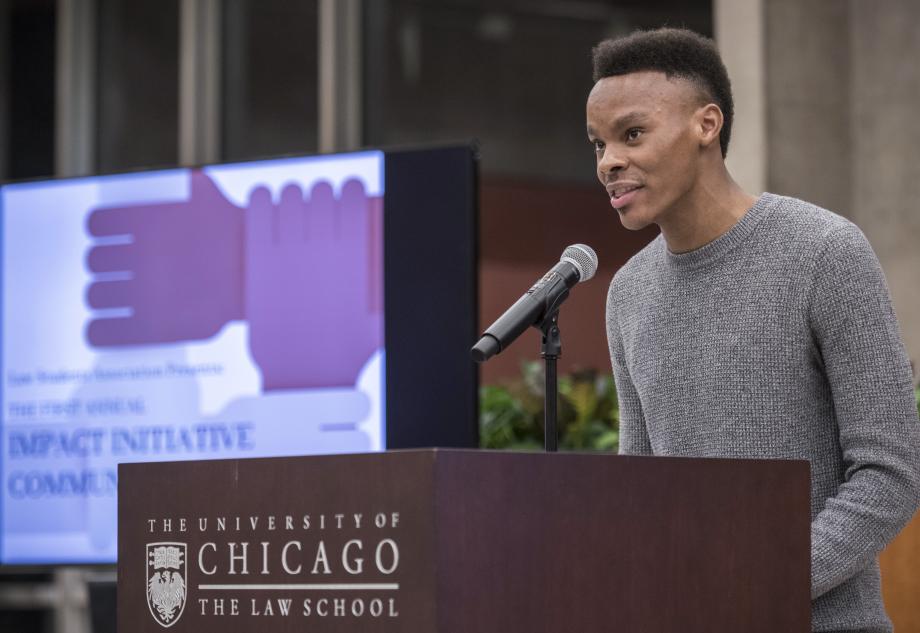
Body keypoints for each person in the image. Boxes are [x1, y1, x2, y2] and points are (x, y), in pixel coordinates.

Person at [589, 27, 920, 632]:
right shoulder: (628, 292)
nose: (610, 161)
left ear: (706, 125)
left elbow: (893, 471)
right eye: (598, 143)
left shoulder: (824, 251)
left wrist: (758, 580)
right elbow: (641, 489)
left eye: (632, 134)